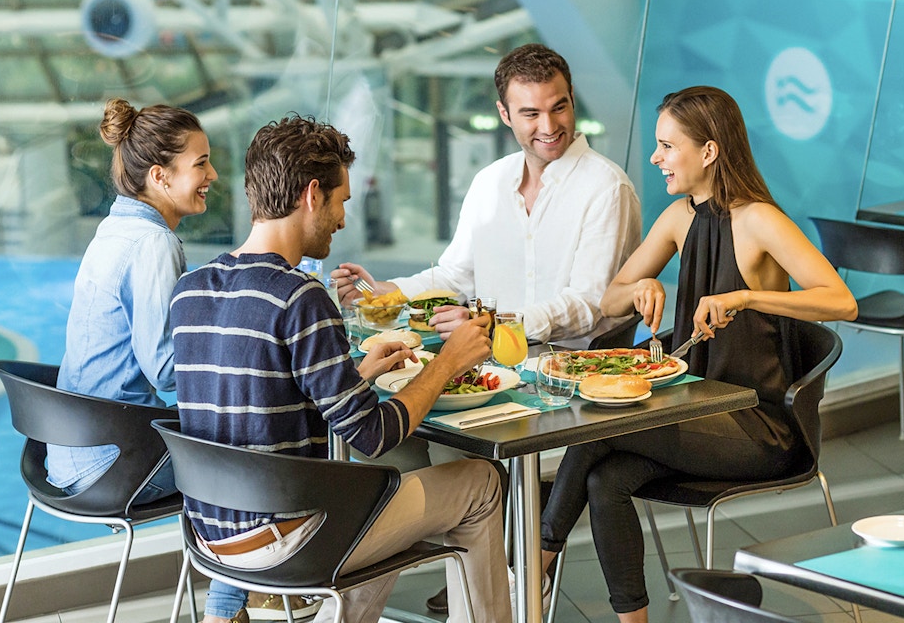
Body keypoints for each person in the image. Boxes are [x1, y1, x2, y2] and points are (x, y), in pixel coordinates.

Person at [169, 114, 511, 623]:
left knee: (380, 486)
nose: (344, 219)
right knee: (481, 482)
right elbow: (373, 436)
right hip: (289, 541)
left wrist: (360, 375)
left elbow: (260, 398)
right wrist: (448, 362)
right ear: (312, 194)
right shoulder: (300, 296)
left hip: (210, 540)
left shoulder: (191, 289)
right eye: (342, 201)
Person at [538, 86, 858, 623]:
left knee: (596, 428)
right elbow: (612, 297)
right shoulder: (679, 217)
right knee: (604, 479)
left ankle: (527, 568)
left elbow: (841, 303)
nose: (655, 157)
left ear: (708, 152)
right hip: (694, 412)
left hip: (759, 428)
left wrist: (749, 295)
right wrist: (642, 290)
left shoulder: (759, 220)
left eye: (667, 146)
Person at [333, 42, 643, 349]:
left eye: (558, 107)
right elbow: (456, 277)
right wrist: (382, 292)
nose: (548, 126)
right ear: (505, 114)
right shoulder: (489, 182)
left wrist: (495, 323)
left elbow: (588, 304)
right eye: (531, 114)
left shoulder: (607, 188)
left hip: (575, 374)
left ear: (572, 98)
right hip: (490, 366)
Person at [48, 97, 216, 505]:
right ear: (160, 176)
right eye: (201, 163)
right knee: (265, 453)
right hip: (118, 464)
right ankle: (252, 565)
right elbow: (166, 371)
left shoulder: (114, 227)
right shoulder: (153, 242)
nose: (213, 174)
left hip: (69, 458)